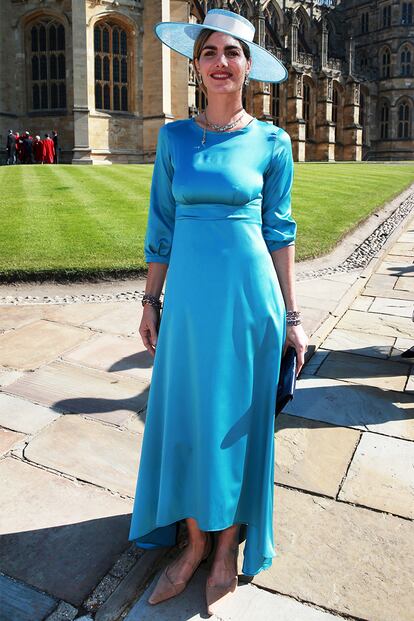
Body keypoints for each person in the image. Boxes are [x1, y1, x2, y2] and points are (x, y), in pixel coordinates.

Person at [128, 8, 308, 616]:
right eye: (211, 52)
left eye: (233, 52)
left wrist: (293, 315)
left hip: (248, 300)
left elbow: (279, 232)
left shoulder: (272, 141)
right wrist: (151, 301)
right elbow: (162, 226)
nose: (222, 62)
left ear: (248, 65)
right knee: (187, 415)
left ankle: (227, 543)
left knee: (235, 419)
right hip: (189, 304)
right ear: (196, 64)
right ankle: (193, 542)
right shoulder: (174, 138)